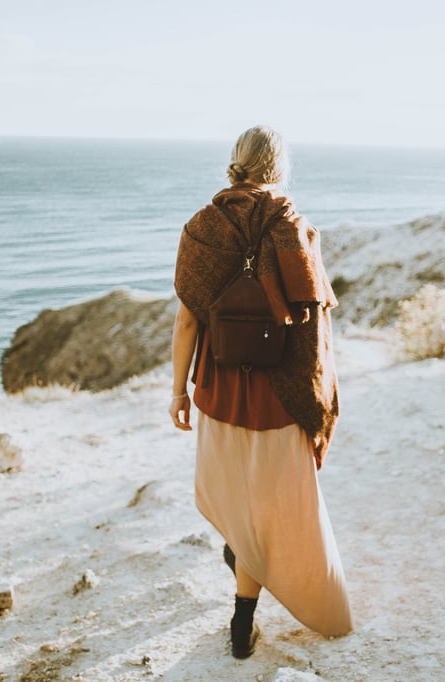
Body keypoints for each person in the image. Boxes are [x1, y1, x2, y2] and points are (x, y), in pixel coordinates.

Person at [169, 125, 352, 660]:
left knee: (238, 500)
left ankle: (242, 600)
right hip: (279, 392)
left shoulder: (203, 227)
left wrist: (178, 390)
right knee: (270, 506)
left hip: (221, 388)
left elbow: (186, 321)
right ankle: (244, 615)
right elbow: (315, 328)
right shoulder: (295, 228)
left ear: (235, 163)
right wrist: (319, 399)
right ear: (278, 169)